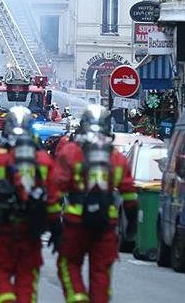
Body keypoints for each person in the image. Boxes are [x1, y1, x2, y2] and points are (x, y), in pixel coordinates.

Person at [0, 106, 61, 303]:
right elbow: (53, 198)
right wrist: (56, 229)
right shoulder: (43, 159)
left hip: (3, 229)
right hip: (32, 232)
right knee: (27, 278)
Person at [52, 105, 138, 303]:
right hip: (106, 225)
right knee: (101, 273)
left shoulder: (70, 152)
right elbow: (130, 196)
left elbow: (55, 190)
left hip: (75, 223)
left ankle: (78, 298)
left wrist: (54, 225)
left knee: (69, 264)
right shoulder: (116, 158)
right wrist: (131, 224)